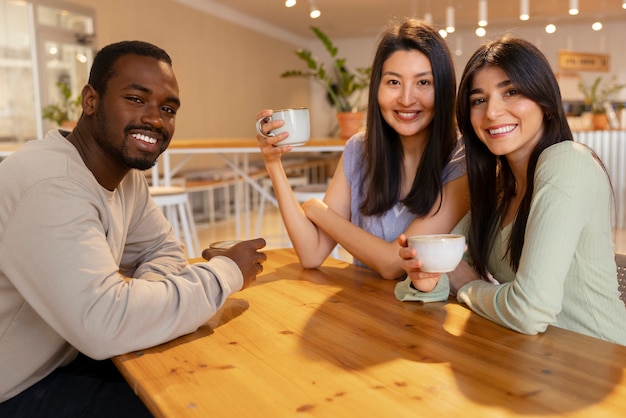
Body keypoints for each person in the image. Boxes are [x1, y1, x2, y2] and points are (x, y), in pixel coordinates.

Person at [0, 40, 267, 416]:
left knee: (215, 378)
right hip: (14, 388)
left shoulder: (124, 176)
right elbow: (103, 322)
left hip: (64, 357)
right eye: (136, 99)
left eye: (168, 108)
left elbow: (162, 249)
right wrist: (224, 273)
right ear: (90, 100)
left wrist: (139, 303)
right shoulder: (49, 184)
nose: (155, 119)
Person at [396, 35, 626, 346]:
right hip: (535, 361)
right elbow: (442, 273)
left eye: (511, 92)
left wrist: (467, 284)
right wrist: (426, 281)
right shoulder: (498, 189)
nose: (492, 112)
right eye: (479, 100)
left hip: (601, 365)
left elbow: (529, 310)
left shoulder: (568, 162)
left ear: (544, 102)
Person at [255, 18, 469, 280]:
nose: (406, 99)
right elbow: (311, 254)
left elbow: (394, 263)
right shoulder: (359, 150)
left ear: (444, 90)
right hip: (367, 309)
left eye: (423, 83)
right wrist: (273, 163)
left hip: (430, 314)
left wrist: (316, 210)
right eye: (393, 82)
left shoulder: (461, 157)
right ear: (377, 88)